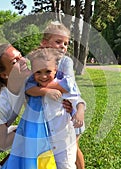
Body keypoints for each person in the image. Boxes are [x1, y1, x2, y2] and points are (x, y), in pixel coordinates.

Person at [2, 48, 78, 169]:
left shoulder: (63, 86)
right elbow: (28, 89)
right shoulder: (32, 86)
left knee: (66, 165)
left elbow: (77, 100)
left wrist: (78, 113)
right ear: (33, 72)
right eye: (38, 72)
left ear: (56, 70)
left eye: (48, 71)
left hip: (62, 138)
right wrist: (46, 91)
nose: (43, 76)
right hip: (43, 138)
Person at [30, 21, 86, 169]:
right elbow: (28, 86)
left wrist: (42, 85)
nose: (63, 46)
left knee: (72, 150)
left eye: (66, 44)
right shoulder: (38, 60)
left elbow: (68, 85)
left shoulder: (65, 61)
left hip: (72, 114)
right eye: (58, 42)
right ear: (44, 43)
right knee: (67, 151)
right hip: (57, 116)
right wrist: (45, 90)